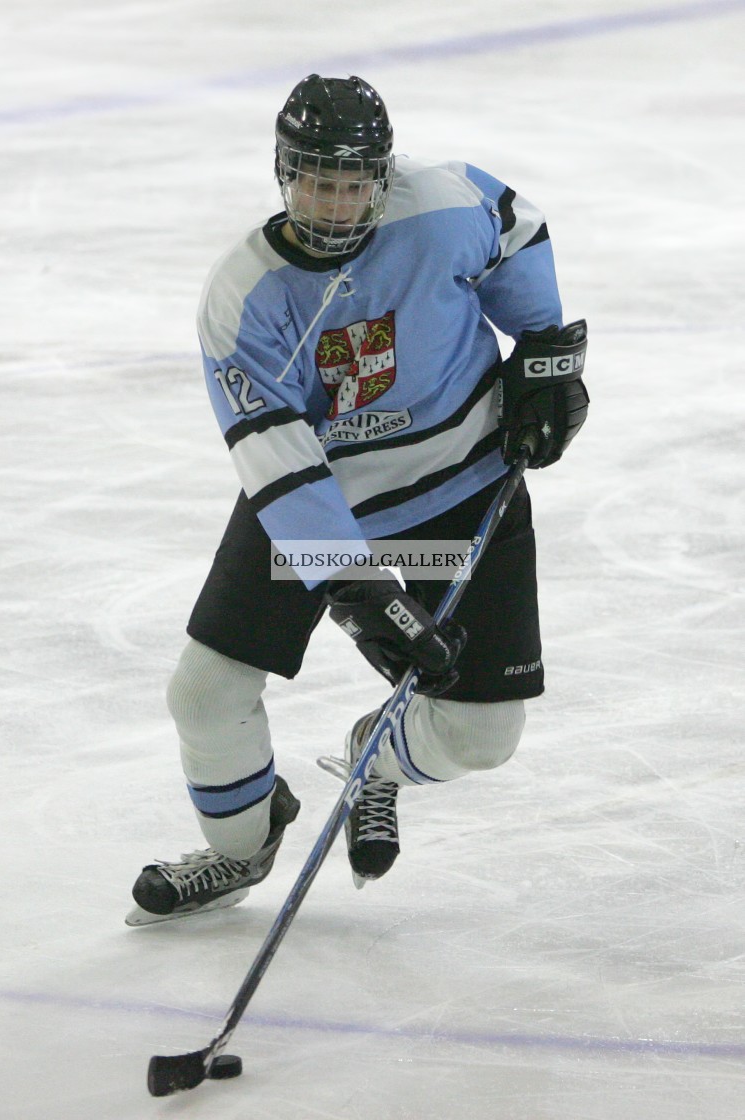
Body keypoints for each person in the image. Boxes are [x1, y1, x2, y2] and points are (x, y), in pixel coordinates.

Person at [126, 74, 588, 925]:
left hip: (462, 485)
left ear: (381, 175)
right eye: (314, 180)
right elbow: (273, 454)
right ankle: (238, 850)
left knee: (484, 737)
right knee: (204, 694)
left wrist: (545, 349)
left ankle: (373, 761)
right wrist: (352, 582)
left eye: (352, 184)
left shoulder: (440, 203)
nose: (334, 204)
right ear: (281, 170)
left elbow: (514, 229)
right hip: (325, 504)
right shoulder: (242, 293)